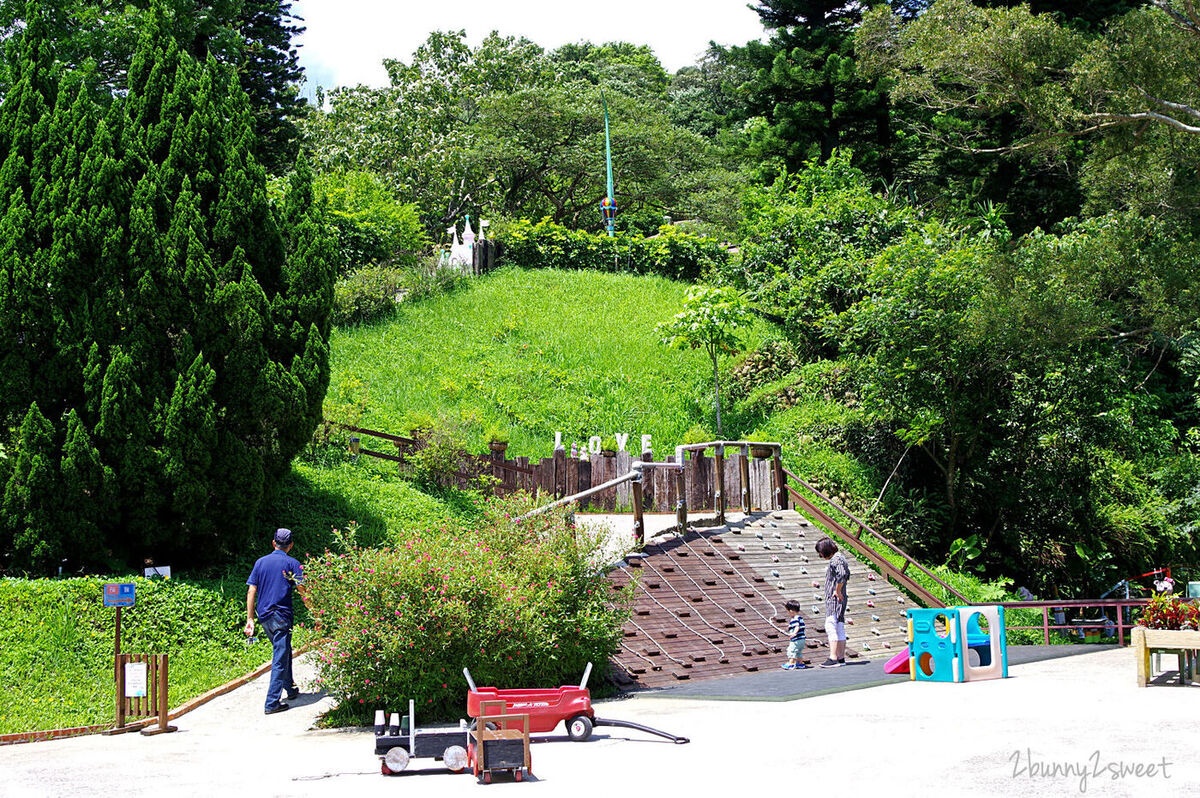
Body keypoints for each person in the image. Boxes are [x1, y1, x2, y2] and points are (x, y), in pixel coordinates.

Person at [245, 528, 308, 714]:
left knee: (284, 650)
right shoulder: (293, 563)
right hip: (281, 616)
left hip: (264, 616)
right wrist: (316, 613)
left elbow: (251, 591)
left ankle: (290, 689)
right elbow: (302, 590)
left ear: (273, 543)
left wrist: (250, 619)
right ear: (291, 545)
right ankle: (272, 703)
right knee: (280, 657)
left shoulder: (260, 562)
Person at [816, 536, 850, 668]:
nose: (820, 555)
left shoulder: (835, 560)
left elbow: (841, 575)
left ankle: (833, 657)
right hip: (840, 598)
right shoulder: (841, 558)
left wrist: (837, 590)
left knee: (831, 625)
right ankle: (841, 657)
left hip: (835, 599)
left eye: (820, 552)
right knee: (839, 625)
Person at [781, 599, 807, 670]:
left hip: (796, 639)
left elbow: (797, 626)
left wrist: (794, 633)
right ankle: (800, 663)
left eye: (787, 611)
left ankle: (791, 663)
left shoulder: (794, 619)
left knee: (791, 650)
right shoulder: (800, 618)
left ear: (791, 611)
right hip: (802, 639)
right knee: (799, 651)